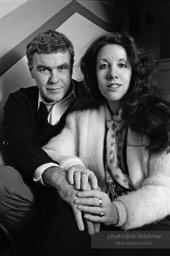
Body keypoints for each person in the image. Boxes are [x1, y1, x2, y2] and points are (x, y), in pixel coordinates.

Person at [43, 32, 170, 235]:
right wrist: (73, 165)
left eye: (122, 64)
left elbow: (165, 189)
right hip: (99, 210)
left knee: (111, 245)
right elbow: (51, 151)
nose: (112, 74)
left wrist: (118, 211)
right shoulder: (81, 117)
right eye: (103, 66)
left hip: (151, 221)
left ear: (134, 72)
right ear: (94, 74)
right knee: (68, 216)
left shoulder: (159, 118)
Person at [0, 30, 98, 256]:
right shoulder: (19, 100)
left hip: (82, 190)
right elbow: (17, 145)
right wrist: (58, 179)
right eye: (44, 69)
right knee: (3, 179)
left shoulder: (92, 98)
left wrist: (71, 182)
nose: (54, 80)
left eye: (62, 68)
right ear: (31, 70)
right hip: (39, 192)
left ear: (71, 67)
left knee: (80, 195)